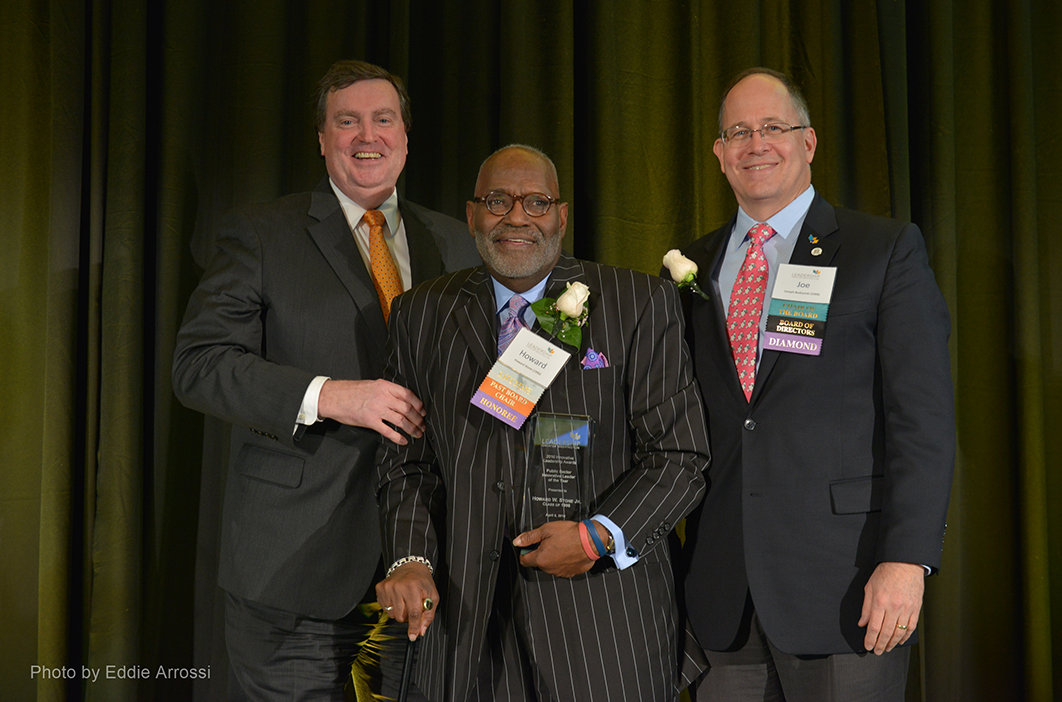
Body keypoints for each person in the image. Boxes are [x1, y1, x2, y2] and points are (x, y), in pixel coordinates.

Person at [172, 60, 479, 700]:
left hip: (427, 572)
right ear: (322, 138)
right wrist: (331, 395)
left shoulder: (457, 244)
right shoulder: (261, 233)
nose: (367, 135)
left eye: (382, 119)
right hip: (293, 572)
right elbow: (199, 366)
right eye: (347, 121)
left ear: (405, 133)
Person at [374, 144, 711, 702]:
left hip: (603, 626)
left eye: (536, 202)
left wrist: (597, 536)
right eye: (497, 201)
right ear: (471, 214)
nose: (516, 217)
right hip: (464, 626)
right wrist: (411, 559)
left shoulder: (636, 302)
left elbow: (680, 457)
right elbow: (408, 460)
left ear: (561, 215)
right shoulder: (422, 313)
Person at [672, 67, 956, 701]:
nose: (756, 143)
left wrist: (906, 561)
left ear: (809, 142)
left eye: (774, 127)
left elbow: (923, 422)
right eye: (738, 132)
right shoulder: (691, 268)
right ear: (719, 154)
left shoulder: (881, 250)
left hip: (846, 589)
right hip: (723, 598)